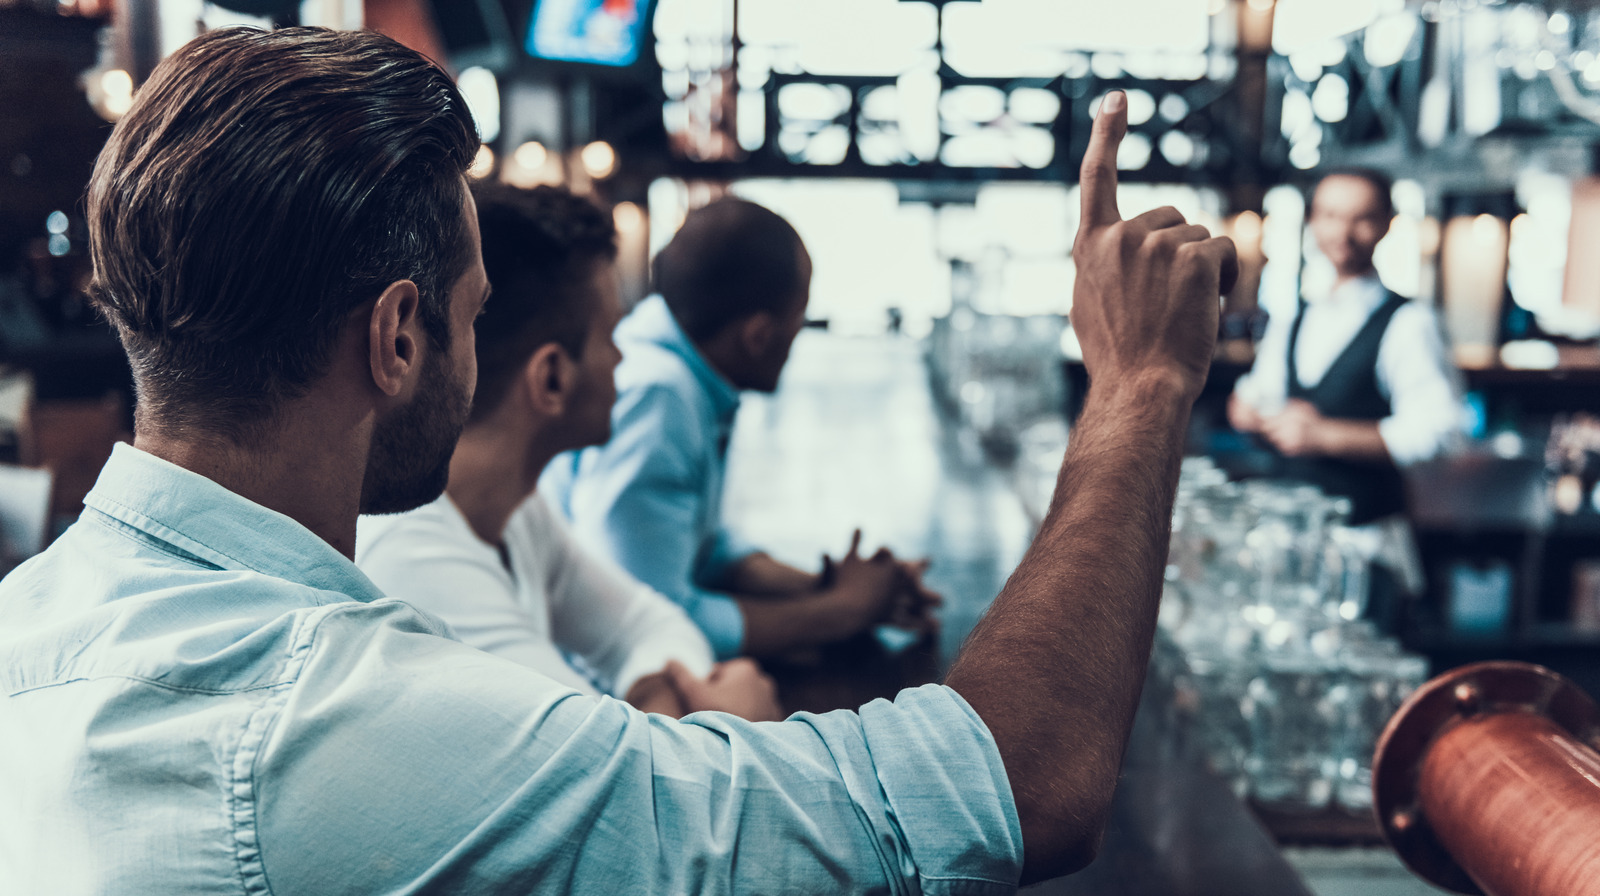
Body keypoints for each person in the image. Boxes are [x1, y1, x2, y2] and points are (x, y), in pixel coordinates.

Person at [0, 25, 1235, 894]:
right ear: (395, 335)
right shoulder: (343, 722)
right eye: (475, 312)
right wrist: (1139, 382)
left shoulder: (31, 621)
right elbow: (1020, 784)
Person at [356, 184, 781, 721]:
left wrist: (656, 713)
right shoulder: (416, 558)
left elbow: (650, 625)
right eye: (612, 334)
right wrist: (723, 721)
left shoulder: (516, 510)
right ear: (552, 378)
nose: (625, 355)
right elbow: (600, 767)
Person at [541, 196, 938, 660]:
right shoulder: (660, 398)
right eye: (799, 316)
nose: (800, 333)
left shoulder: (682, 373)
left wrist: (832, 587)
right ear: (757, 335)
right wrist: (842, 610)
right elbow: (647, 624)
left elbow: (705, 547)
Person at [1229, 168, 1464, 526]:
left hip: (1367, 537)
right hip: (1290, 531)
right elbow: (1259, 395)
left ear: (1386, 224)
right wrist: (1250, 412)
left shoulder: (1409, 322)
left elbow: (1440, 435)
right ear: (1312, 221)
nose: (1343, 233)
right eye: (1331, 216)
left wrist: (1324, 436)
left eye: (1362, 219)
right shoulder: (1295, 313)